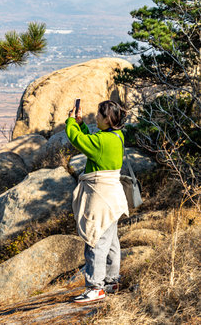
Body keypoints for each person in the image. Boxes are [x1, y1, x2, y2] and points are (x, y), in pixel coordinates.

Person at [65, 100, 129, 303]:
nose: (96, 118)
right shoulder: (116, 136)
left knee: (95, 240)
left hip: (100, 197)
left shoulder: (102, 141)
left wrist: (70, 122)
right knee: (110, 241)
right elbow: (90, 139)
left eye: (99, 116)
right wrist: (81, 123)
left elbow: (77, 139)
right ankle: (111, 281)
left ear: (107, 119)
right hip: (113, 197)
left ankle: (95, 287)